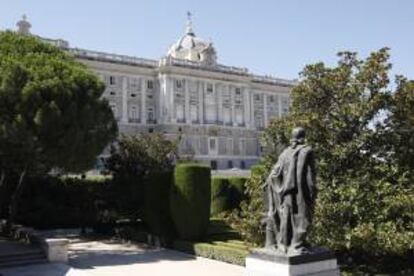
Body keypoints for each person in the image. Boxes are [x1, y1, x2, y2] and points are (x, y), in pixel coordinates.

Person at [264, 127, 316, 255]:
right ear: (303, 137)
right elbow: (310, 175)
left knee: (288, 217)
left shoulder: (284, 153)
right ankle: (297, 245)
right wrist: (312, 191)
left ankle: (289, 243)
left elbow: (274, 173)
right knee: (303, 218)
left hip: (286, 192)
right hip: (301, 191)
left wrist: (274, 185)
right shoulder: (307, 151)